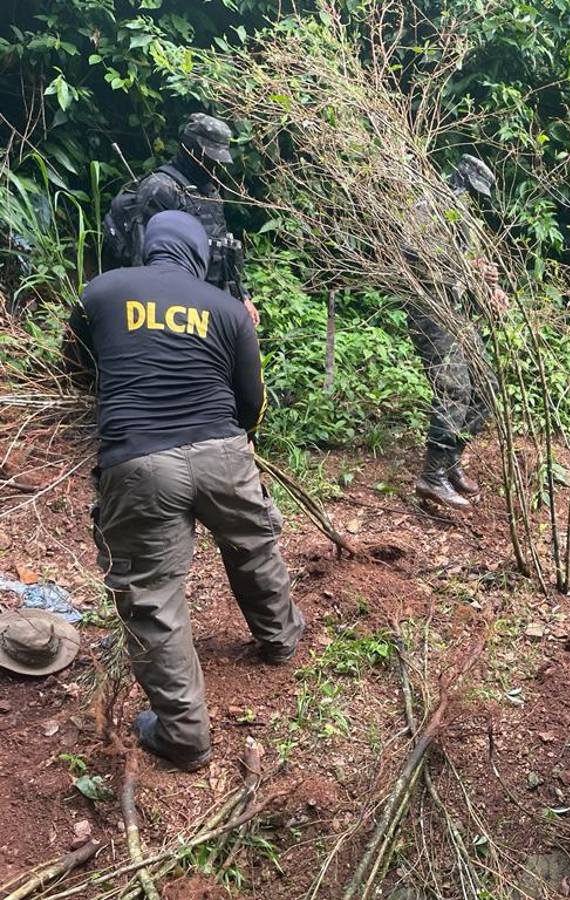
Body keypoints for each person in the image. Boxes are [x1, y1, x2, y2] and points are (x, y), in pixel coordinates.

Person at [65, 210, 304, 771]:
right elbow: (251, 404)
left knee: (152, 594)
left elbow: (77, 368)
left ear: (150, 247)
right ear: (200, 255)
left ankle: (184, 735)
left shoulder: (102, 290)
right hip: (223, 453)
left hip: (140, 462)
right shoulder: (228, 309)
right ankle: (280, 641)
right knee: (253, 545)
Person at [408, 155, 508, 510]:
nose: (472, 198)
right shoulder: (429, 206)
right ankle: (431, 475)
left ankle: (450, 462)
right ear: (459, 180)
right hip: (431, 308)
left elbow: (474, 268)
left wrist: (491, 287)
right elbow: (416, 256)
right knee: (454, 388)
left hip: (456, 310)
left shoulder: (463, 217)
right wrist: (469, 267)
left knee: (486, 386)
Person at [104, 112, 259, 326]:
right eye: (208, 158)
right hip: (173, 309)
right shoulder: (160, 189)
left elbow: (222, 251)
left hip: (208, 302)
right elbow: (144, 263)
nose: (213, 166)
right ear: (189, 150)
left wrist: (242, 296)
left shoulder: (208, 191)